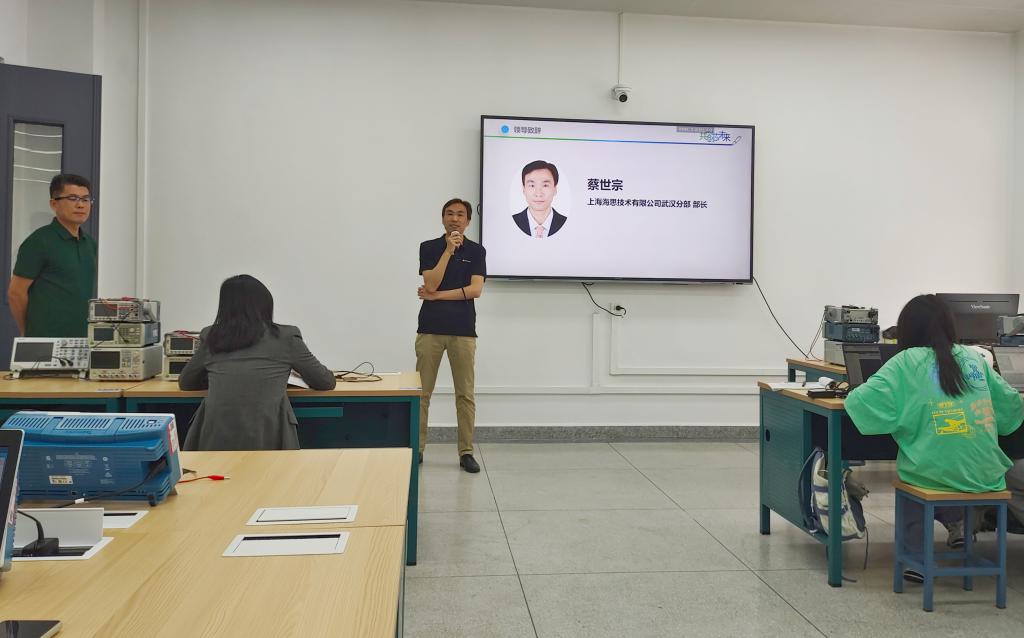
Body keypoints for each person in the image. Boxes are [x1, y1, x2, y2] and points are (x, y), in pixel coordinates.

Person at [845, 294, 1024, 582]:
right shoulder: (974, 358)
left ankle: (916, 560)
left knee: (917, 476)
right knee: (950, 469)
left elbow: (859, 404)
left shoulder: (905, 362)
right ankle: (960, 525)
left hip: (934, 473)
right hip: (986, 476)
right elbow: (1012, 406)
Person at [179, 275, 336, 450]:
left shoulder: (211, 336)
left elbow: (186, 382)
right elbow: (325, 382)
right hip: (270, 438)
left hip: (215, 438)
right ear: (266, 304)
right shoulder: (286, 337)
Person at [417, 198, 486, 472]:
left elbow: (475, 290)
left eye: (460, 214)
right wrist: (447, 251)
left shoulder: (477, 251)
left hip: (463, 330)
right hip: (430, 329)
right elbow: (430, 282)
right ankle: (418, 448)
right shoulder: (429, 247)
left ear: (468, 220)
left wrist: (436, 296)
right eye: (449, 213)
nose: (454, 218)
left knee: (465, 394)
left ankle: (466, 452)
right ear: (442, 218)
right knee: (422, 393)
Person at [8, 174, 98, 337]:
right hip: (45, 340)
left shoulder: (89, 244)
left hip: (81, 339)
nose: (80, 205)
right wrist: (28, 332)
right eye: (72, 198)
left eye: (85, 199)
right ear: (54, 203)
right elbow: (15, 293)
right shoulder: (39, 241)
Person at [513, 160, 566, 238]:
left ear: (555, 189)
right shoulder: (511, 222)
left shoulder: (565, 223)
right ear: (524, 189)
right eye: (532, 185)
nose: (538, 194)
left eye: (545, 185)